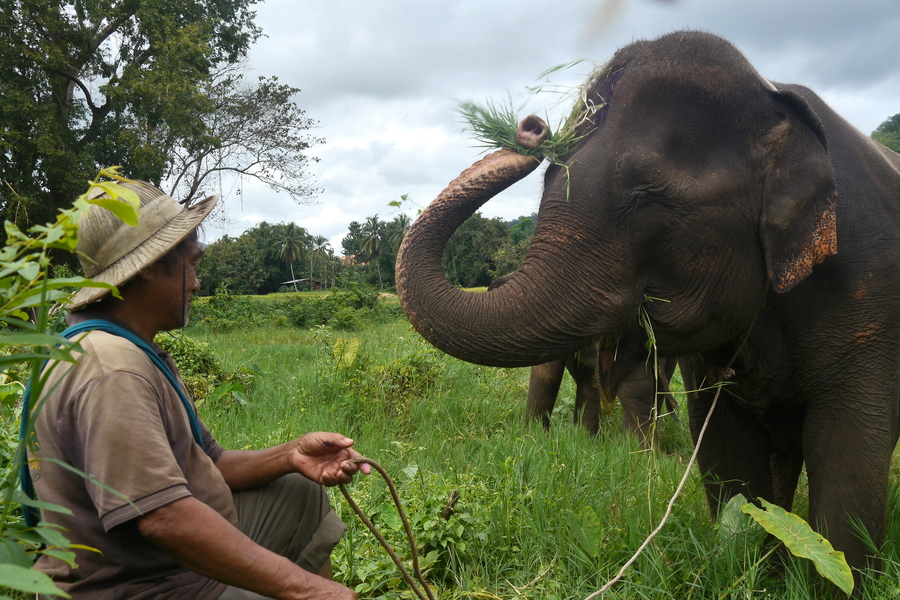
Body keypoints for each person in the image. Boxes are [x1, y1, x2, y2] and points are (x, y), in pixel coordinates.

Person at [28, 181, 369, 600]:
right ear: (150, 265)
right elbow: (163, 519)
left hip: (160, 563)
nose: (197, 283)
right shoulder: (113, 370)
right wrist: (310, 590)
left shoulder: (128, 348)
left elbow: (212, 462)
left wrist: (291, 454)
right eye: (191, 263)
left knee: (298, 491)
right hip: (144, 586)